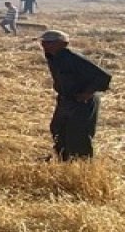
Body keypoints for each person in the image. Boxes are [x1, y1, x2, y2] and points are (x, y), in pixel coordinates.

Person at [39, 30, 112, 161]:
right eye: (43, 42)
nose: (44, 45)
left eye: (49, 42)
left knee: (78, 133)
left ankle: (82, 164)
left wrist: (87, 93)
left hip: (82, 101)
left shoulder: (73, 59)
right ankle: (62, 158)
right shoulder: (52, 57)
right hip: (65, 99)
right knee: (57, 128)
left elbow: (103, 76)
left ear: (63, 44)